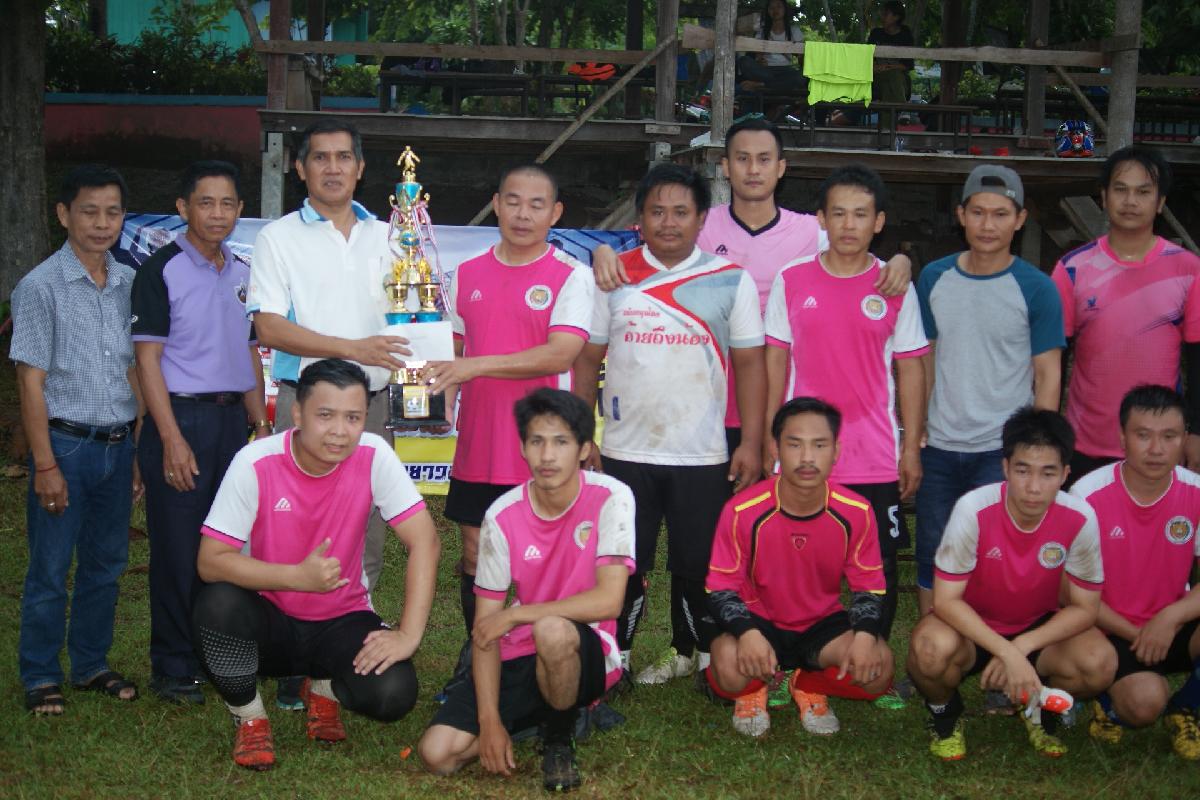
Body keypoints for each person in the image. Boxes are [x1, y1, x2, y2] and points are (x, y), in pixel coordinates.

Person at [591, 118, 911, 466]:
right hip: (707, 400)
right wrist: (602, 253)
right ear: (726, 167)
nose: (753, 169)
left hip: (782, 399)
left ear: (781, 167)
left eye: (764, 159)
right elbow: (639, 251)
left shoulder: (812, 231)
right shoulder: (697, 224)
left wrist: (900, 261)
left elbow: (858, 260)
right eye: (742, 159)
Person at [192, 359, 439, 770]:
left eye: (353, 417)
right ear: (297, 414)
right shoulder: (255, 461)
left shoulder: (374, 454)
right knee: (217, 604)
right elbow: (210, 561)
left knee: (394, 694)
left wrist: (408, 635)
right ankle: (249, 716)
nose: (339, 431)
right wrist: (296, 577)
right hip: (268, 618)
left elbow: (425, 542)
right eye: (325, 415)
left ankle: (324, 689)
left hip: (342, 618)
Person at [574, 163, 766, 688]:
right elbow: (588, 360)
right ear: (640, 217)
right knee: (624, 561)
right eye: (657, 211)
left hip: (702, 453)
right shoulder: (613, 276)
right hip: (625, 450)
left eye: (681, 212)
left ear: (702, 218)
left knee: (697, 562)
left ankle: (700, 656)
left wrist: (751, 441)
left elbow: (751, 365)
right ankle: (617, 657)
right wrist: (583, 436)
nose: (669, 222)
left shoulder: (731, 280)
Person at [247, 119, 409, 708]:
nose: (333, 168)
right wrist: (352, 349)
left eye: (344, 157)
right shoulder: (278, 238)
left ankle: (339, 657)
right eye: (320, 158)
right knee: (290, 529)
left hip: (373, 407)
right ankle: (290, 657)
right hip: (305, 405)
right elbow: (268, 326)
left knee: (365, 532)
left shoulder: (393, 236)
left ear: (361, 168)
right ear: (300, 168)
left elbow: (417, 313)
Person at [418, 388, 634, 792]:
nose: (547, 455)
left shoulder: (612, 497)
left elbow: (610, 601)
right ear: (522, 448)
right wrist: (489, 721)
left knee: (551, 630)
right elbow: (486, 629)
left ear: (585, 449)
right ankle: (545, 716)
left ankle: (559, 738)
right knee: (438, 754)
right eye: (537, 441)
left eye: (561, 442)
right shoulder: (501, 516)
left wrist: (517, 614)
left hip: (584, 647)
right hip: (519, 650)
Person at [422, 164, 593, 634]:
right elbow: (454, 352)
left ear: (555, 213)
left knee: (541, 556)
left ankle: (539, 652)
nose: (522, 214)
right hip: (479, 440)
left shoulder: (571, 275)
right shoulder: (467, 273)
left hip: (542, 444)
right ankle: (480, 649)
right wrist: (442, 405)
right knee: (476, 552)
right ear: (496, 205)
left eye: (536, 205)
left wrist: (475, 366)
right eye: (513, 202)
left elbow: (561, 353)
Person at [763, 165, 927, 641]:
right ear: (821, 219)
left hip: (872, 455)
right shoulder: (792, 279)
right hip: (804, 452)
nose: (849, 225)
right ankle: (799, 656)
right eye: (838, 213)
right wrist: (774, 435)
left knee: (876, 566)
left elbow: (911, 369)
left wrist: (910, 447)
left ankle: (870, 654)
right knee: (797, 558)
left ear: (878, 222)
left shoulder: (894, 285)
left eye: (860, 214)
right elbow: (776, 360)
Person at [131, 160, 268, 705]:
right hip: (180, 420)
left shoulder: (242, 273)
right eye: (205, 202)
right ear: (183, 208)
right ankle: (173, 665)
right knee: (178, 549)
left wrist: (261, 425)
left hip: (233, 422)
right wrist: (170, 438)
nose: (217, 213)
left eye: (228, 203)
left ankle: (219, 655)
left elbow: (250, 354)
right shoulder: (160, 269)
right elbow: (147, 361)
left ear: (240, 210)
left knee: (227, 544)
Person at [906, 407, 1113, 760]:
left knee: (1099, 663)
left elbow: (1086, 608)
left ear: (1065, 473)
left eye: (1048, 473)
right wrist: (1006, 651)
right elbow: (946, 600)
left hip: (1039, 628)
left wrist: (1021, 647)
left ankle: (1038, 709)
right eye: (1022, 470)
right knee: (929, 649)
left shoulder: (1080, 517)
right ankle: (945, 715)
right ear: (1005, 468)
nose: (1033, 487)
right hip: (973, 627)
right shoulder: (973, 508)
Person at [11, 164, 142, 716]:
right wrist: (44, 465)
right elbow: (30, 381)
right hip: (64, 446)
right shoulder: (40, 287)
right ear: (64, 214)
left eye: (113, 212)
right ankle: (41, 673)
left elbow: (135, 368)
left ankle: (90, 663)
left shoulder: (130, 283)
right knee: (50, 568)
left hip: (119, 444)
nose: (102, 223)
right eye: (89, 211)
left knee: (106, 565)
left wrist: (137, 449)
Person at [913, 165, 1064, 617]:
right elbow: (924, 357)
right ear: (961, 215)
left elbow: (1048, 374)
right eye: (978, 212)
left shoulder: (1037, 288)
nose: (988, 225)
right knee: (933, 548)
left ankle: (993, 641)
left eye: (1000, 214)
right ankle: (930, 642)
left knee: (995, 552)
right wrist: (916, 427)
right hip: (940, 444)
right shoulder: (934, 278)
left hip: (1002, 447)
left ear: (1020, 220)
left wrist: (1036, 449)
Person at [705, 398, 894, 738]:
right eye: (795, 444)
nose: (807, 458)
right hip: (759, 619)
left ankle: (806, 683)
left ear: (836, 451)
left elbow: (868, 584)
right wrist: (746, 633)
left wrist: (865, 636)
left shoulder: (856, 511)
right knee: (729, 669)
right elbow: (720, 586)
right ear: (776, 448)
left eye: (819, 445)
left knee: (878, 670)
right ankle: (753, 690)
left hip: (821, 623)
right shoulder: (742, 510)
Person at [1051, 146, 1200, 482]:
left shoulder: (1189, 270)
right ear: (1104, 197)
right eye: (1121, 189)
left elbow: (1197, 358)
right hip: (1085, 444)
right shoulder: (1073, 268)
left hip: (1159, 446)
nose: (1131, 201)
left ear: (1160, 202)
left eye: (1143, 192)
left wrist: (1196, 432)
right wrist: (1051, 433)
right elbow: (1054, 360)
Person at [1070, 385, 1200, 760]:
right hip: (1110, 629)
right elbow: (1069, 592)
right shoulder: (1086, 496)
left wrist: (1170, 618)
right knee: (1144, 704)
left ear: (1185, 439)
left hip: (1171, 625)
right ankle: (1109, 705)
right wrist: (1137, 634)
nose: (1156, 449)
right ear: (1121, 437)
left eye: (1169, 436)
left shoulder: (1196, 492)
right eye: (1143, 435)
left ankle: (1187, 707)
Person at [736, 0, 805, 95]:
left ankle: (761, 84)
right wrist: (759, 61)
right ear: (768, 11)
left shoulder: (794, 30)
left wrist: (803, 58)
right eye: (771, 8)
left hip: (786, 70)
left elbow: (801, 58)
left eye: (779, 6)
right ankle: (775, 84)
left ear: (785, 10)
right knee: (744, 61)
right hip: (766, 71)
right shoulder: (762, 31)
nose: (775, 10)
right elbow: (759, 56)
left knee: (801, 77)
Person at [867, 1, 915, 104]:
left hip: (897, 80)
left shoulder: (905, 35)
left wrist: (887, 67)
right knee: (890, 79)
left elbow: (908, 65)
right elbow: (866, 59)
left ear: (896, 17)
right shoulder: (876, 34)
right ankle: (899, 107)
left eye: (886, 14)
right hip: (877, 78)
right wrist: (875, 67)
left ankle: (895, 107)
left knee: (892, 79)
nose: (882, 17)